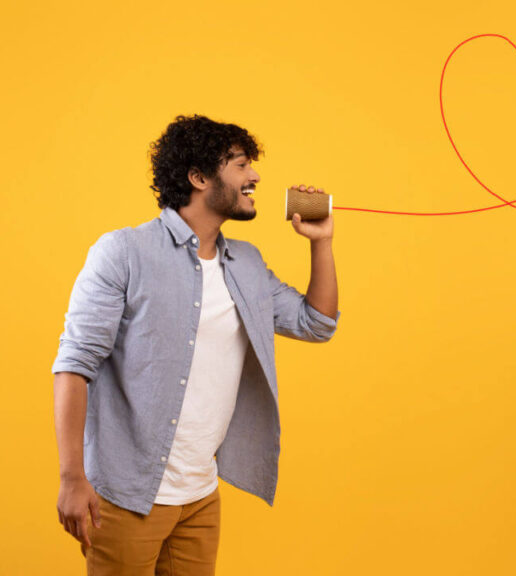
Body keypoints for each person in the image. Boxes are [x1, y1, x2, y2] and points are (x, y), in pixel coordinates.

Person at [52, 114, 340, 575]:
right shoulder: (123, 253)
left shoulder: (245, 263)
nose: (255, 176)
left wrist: (320, 243)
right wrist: (72, 478)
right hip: (128, 496)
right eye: (242, 164)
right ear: (199, 177)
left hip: (200, 498)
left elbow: (317, 322)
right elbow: (75, 364)